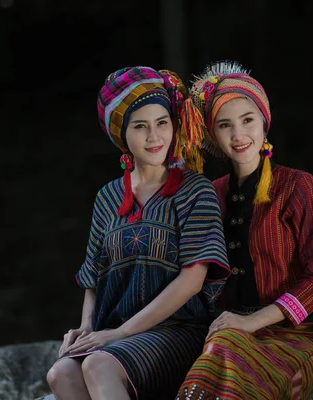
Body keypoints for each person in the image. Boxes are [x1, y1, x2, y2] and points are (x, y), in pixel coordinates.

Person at [46, 66, 230, 400]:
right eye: (140, 126)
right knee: (60, 373)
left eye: (162, 123)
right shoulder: (107, 197)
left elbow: (193, 280)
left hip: (177, 330)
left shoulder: (194, 191)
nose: (154, 137)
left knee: (98, 365)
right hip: (114, 330)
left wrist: (120, 333)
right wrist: (87, 327)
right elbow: (93, 276)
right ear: (122, 135)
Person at [176, 61, 313, 399]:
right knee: (216, 354)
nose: (238, 135)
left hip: (306, 334)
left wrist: (252, 321)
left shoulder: (298, 185)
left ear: (264, 123)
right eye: (225, 125)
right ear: (213, 135)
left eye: (247, 120)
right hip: (231, 332)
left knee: (227, 350)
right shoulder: (211, 193)